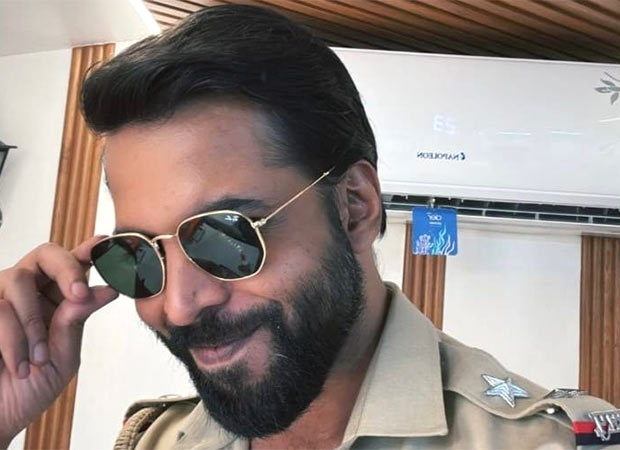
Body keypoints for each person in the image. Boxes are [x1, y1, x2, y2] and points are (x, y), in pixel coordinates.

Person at [0, 4, 618, 450]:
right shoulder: (155, 439)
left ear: (354, 207)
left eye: (227, 235)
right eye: (137, 256)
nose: (181, 306)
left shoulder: (550, 441)